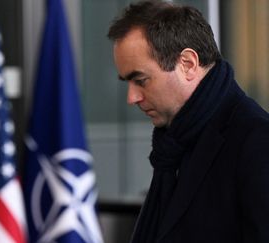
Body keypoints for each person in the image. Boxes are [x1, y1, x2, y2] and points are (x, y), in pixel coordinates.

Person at [108, 1, 269, 243]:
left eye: (140, 80)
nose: (132, 98)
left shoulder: (257, 141)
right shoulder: (175, 142)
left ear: (188, 64)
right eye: (127, 83)